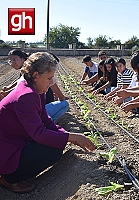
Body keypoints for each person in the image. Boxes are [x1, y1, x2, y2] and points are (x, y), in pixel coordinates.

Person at [0, 52, 96, 194]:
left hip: (15, 141)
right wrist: (71, 137)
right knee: (52, 152)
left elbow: (46, 121)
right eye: (49, 78)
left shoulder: (35, 90)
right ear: (35, 75)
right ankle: (9, 178)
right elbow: (39, 133)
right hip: (6, 149)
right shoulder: (26, 95)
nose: (52, 82)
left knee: (55, 143)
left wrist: (69, 135)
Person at [3, 49, 69, 122]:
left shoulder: (28, 76)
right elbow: (37, 130)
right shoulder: (33, 91)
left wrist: (8, 91)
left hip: (31, 113)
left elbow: (19, 84)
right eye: (11, 61)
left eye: (14, 60)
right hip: (33, 114)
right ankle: (49, 121)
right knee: (64, 104)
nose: (12, 63)